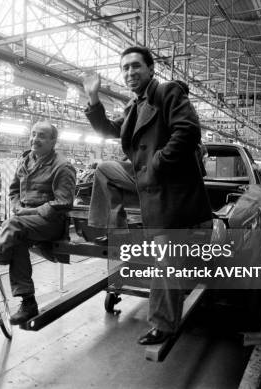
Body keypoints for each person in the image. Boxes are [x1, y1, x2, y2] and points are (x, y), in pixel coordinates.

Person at [82, 46, 212, 345]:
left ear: (151, 69)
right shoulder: (134, 105)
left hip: (170, 192)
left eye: (136, 66)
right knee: (104, 168)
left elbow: (188, 131)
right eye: (125, 68)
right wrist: (93, 98)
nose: (130, 72)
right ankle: (113, 229)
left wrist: (158, 164)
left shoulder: (168, 93)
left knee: (166, 260)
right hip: (147, 183)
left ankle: (164, 324)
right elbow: (107, 129)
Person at [0, 121, 76, 324]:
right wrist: (17, 205)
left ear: (53, 141)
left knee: (12, 225)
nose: (35, 139)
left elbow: (64, 202)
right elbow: (13, 191)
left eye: (42, 136)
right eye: (33, 134)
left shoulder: (62, 166)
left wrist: (30, 211)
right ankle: (28, 303)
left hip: (51, 221)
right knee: (16, 240)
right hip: (25, 220)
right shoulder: (26, 161)